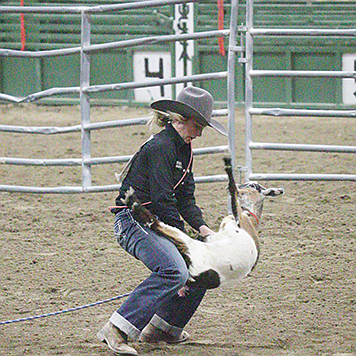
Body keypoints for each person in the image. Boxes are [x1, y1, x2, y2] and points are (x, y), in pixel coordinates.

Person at [97, 86, 228, 355]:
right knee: (175, 271)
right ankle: (117, 328)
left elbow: (185, 199)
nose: (200, 132)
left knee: (204, 266)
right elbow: (163, 201)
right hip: (133, 220)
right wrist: (184, 245)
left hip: (153, 221)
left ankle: (164, 328)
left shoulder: (183, 150)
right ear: (179, 119)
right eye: (197, 125)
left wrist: (205, 231)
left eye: (202, 126)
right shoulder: (162, 147)